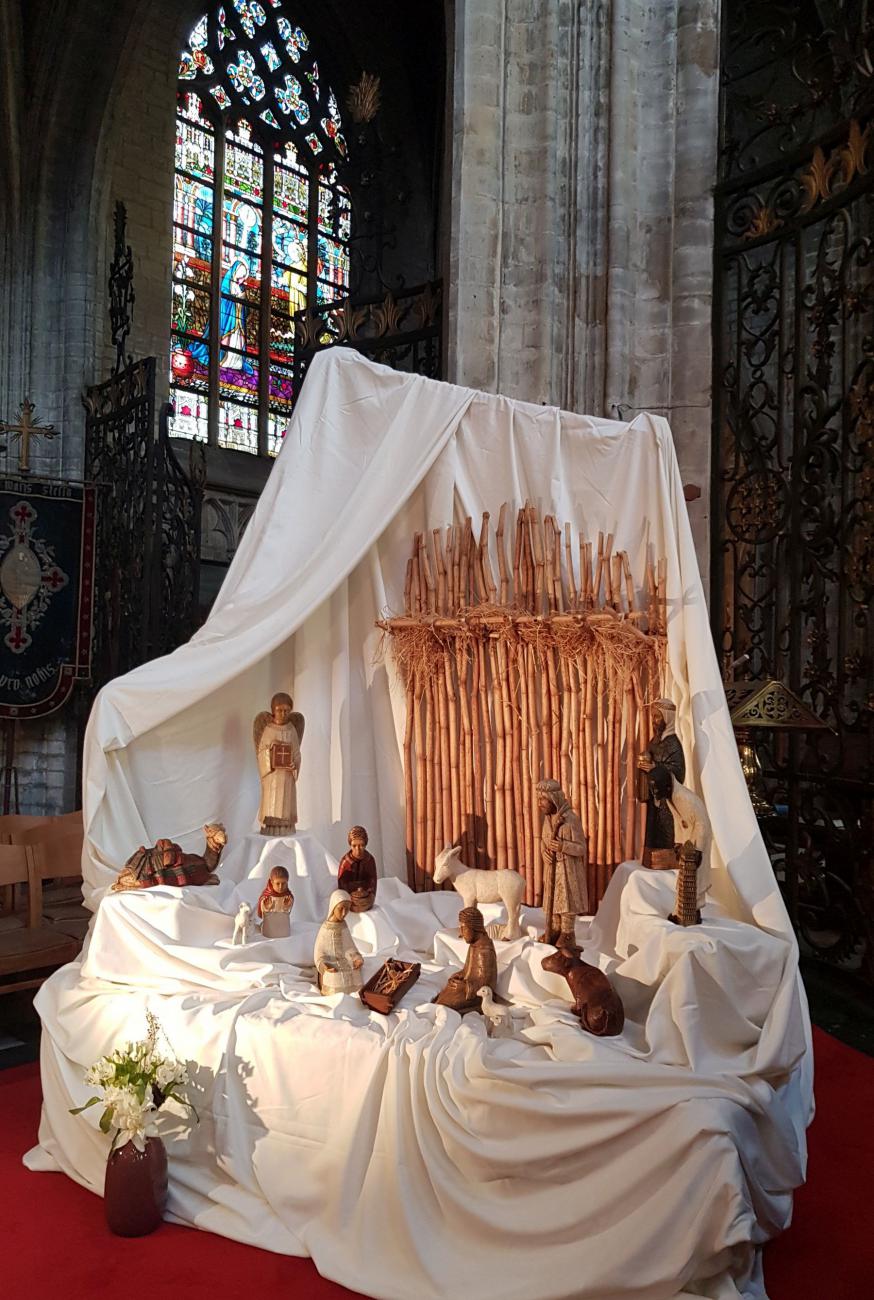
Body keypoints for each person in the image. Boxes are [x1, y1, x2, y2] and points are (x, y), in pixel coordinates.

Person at [536, 779, 588, 949]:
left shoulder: (571, 819)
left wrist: (563, 846)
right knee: (554, 903)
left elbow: (581, 848)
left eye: (543, 799)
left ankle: (567, 934)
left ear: (554, 798)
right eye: (538, 799)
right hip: (553, 870)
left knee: (567, 902)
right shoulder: (548, 820)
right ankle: (555, 930)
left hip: (568, 871)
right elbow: (544, 842)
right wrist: (545, 853)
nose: (539, 803)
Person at [637, 698, 686, 865]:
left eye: (657, 717)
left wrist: (654, 767)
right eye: (653, 717)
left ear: (667, 718)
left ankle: (665, 861)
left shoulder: (673, 744)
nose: (653, 721)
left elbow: (678, 773)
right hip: (654, 798)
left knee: (665, 833)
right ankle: (652, 859)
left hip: (667, 802)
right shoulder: (654, 742)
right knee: (652, 831)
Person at [253, 693, 304, 835]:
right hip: (272, 776)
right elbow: (261, 753)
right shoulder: (268, 730)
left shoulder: (292, 729)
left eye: (287, 710)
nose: (283, 713)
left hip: (287, 776)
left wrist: (294, 764)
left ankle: (286, 827)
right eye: (279, 710)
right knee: (272, 801)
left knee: (285, 802)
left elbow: (296, 753)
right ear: (273, 711)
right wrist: (270, 750)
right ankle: (270, 827)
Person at [433, 907, 498, 1012]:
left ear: (475, 928)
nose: (461, 933)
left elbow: (485, 984)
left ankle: (443, 1007)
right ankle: (439, 1005)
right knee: (449, 988)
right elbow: (468, 970)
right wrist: (461, 974)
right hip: (469, 987)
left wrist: (464, 986)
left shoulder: (484, 951)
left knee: (447, 1003)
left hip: (477, 994)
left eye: (464, 929)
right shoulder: (474, 945)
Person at [314, 889, 365, 994]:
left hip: (344, 960)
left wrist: (356, 958)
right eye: (340, 909)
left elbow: (350, 946)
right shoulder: (325, 928)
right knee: (334, 976)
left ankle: (354, 993)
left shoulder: (343, 925)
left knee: (355, 972)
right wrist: (324, 965)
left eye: (347, 909)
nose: (343, 913)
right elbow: (319, 952)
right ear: (333, 907)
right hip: (330, 962)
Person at [337, 825, 377, 912]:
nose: (358, 850)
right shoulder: (346, 861)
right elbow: (341, 882)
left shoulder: (369, 860)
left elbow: (372, 881)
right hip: (350, 896)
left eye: (361, 845)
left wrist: (370, 895)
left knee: (365, 903)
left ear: (366, 844)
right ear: (350, 845)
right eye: (354, 846)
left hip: (365, 895)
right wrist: (350, 893)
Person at [257, 865, 295, 938]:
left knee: (284, 931)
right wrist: (266, 907)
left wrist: (286, 907)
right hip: (269, 928)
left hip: (283, 926)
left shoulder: (288, 896)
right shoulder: (267, 896)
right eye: (277, 883)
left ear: (287, 882)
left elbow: (287, 913)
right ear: (271, 882)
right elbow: (263, 911)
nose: (280, 887)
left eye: (283, 883)